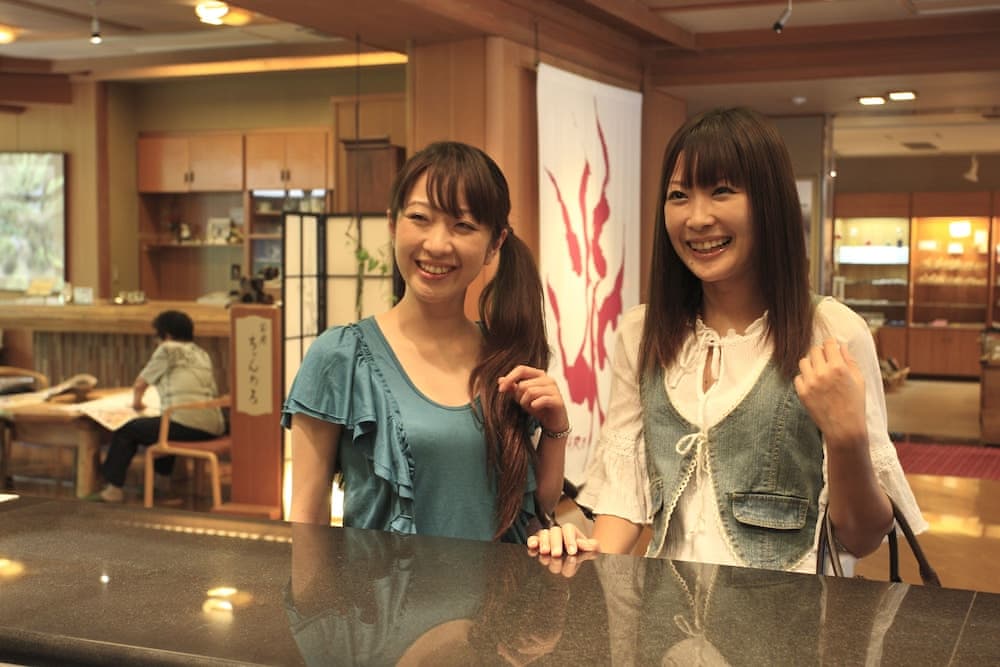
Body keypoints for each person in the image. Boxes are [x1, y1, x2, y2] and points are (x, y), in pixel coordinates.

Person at [530, 107, 926, 575]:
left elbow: (862, 536)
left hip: (790, 615)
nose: (697, 218)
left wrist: (848, 439)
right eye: (679, 196)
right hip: (665, 615)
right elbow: (625, 497)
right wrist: (584, 555)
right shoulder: (642, 333)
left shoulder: (831, 332)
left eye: (721, 191)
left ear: (770, 203)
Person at [282, 141, 569, 542]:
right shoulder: (340, 357)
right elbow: (307, 518)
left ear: (495, 244)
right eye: (420, 218)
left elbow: (537, 505)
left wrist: (556, 429)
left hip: (501, 585)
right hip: (380, 585)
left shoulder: (504, 359)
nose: (436, 244)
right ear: (393, 224)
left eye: (463, 226)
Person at [90, 310, 225, 502]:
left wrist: (137, 404)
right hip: (214, 426)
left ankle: (113, 489)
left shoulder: (168, 349)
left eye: (157, 336)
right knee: (163, 424)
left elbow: (140, 384)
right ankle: (163, 484)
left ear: (166, 335)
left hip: (187, 425)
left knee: (127, 430)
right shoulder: (202, 353)